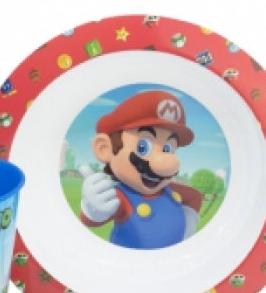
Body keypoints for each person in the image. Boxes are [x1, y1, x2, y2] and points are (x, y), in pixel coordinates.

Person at [79, 90, 203, 249]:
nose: (167, 163)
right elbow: (92, 221)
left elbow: (194, 196)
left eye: (167, 148)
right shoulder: (122, 197)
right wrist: (93, 209)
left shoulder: (170, 190)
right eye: (143, 147)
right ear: (105, 149)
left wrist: (188, 226)